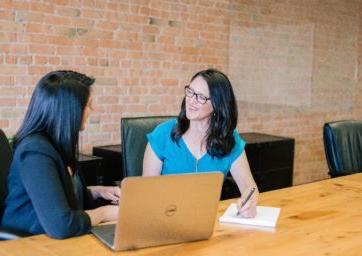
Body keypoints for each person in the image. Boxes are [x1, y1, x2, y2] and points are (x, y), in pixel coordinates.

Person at [0, 71, 120, 239]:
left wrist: (97, 192)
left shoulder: (56, 144)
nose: (92, 110)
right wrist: (105, 213)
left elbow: (59, 193)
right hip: (27, 242)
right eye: (88, 104)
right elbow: (62, 225)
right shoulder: (35, 152)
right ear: (69, 110)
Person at [143, 68, 258, 218]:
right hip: (166, 219)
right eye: (190, 92)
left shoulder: (229, 139)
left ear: (218, 105)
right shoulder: (163, 134)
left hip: (209, 223)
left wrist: (250, 203)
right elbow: (145, 195)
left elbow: (249, 187)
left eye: (201, 97)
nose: (191, 100)